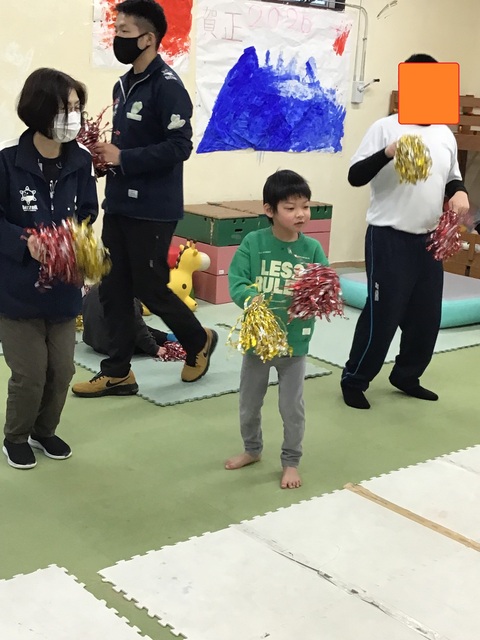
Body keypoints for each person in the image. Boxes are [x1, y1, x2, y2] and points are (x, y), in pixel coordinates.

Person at [72, 0, 217, 399]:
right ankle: (118, 372)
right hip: (119, 202)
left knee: (149, 286)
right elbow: (129, 144)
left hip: (153, 207)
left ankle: (198, 340)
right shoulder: (122, 85)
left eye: (124, 31)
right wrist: (106, 158)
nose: (116, 38)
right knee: (113, 287)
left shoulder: (168, 86)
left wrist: (126, 158)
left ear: (148, 39)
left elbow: (180, 146)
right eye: (115, 30)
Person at [341, 54, 470, 410]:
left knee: (427, 316)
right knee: (383, 314)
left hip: (429, 239)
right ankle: (354, 378)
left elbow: (451, 178)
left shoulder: (444, 134)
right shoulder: (386, 127)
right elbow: (355, 176)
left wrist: (459, 192)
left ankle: (407, 375)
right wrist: (388, 152)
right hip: (388, 237)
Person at [0, 68, 98, 469]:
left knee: (62, 370)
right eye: (64, 108)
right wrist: (26, 242)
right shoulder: (7, 159)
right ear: (39, 109)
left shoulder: (81, 160)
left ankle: (44, 430)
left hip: (63, 288)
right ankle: (16, 435)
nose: (73, 117)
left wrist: (77, 240)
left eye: (76, 108)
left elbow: (88, 211)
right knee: (30, 374)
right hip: (17, 290)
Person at [225, 170, 328, 489]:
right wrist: (251, 299)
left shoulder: (312, 249)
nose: (300, 214)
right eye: (290, 207)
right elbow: (237, 281)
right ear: (269, 210)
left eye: (305, 206)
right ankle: (252, 450)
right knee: (249, 404)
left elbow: (324, 284)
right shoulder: (254, 243)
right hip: (259, 342)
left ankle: (291, 461)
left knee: (291, 408)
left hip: (295, 343)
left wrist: (320, 294)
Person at [81, 284, 177, 358]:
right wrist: (154, 349)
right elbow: (137, 327)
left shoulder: (96, 287)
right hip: (112, 347)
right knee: (141, 332)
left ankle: (167, 336)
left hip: (92, 340)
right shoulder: (125, 293)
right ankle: (169, 337)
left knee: (135, 325)